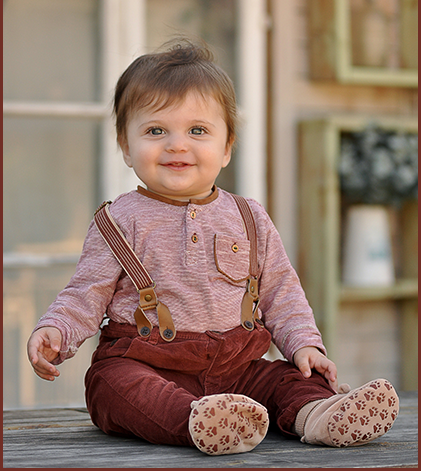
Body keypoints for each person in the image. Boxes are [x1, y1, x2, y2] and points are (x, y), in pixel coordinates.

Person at [27, 39, 399, 456]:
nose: (177, 144)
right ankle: (198, 421)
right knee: (114, 385)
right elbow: (85, 294)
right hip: (146, 362)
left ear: (226, 147)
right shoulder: (118, 220)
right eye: (155, 131)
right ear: (126, 146)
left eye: (197, 131)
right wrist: (57, 330)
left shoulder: (248, 216)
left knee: (289, 378)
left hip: (238, 367)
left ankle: (319, 415)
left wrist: (305, 345)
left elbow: (281, 291)